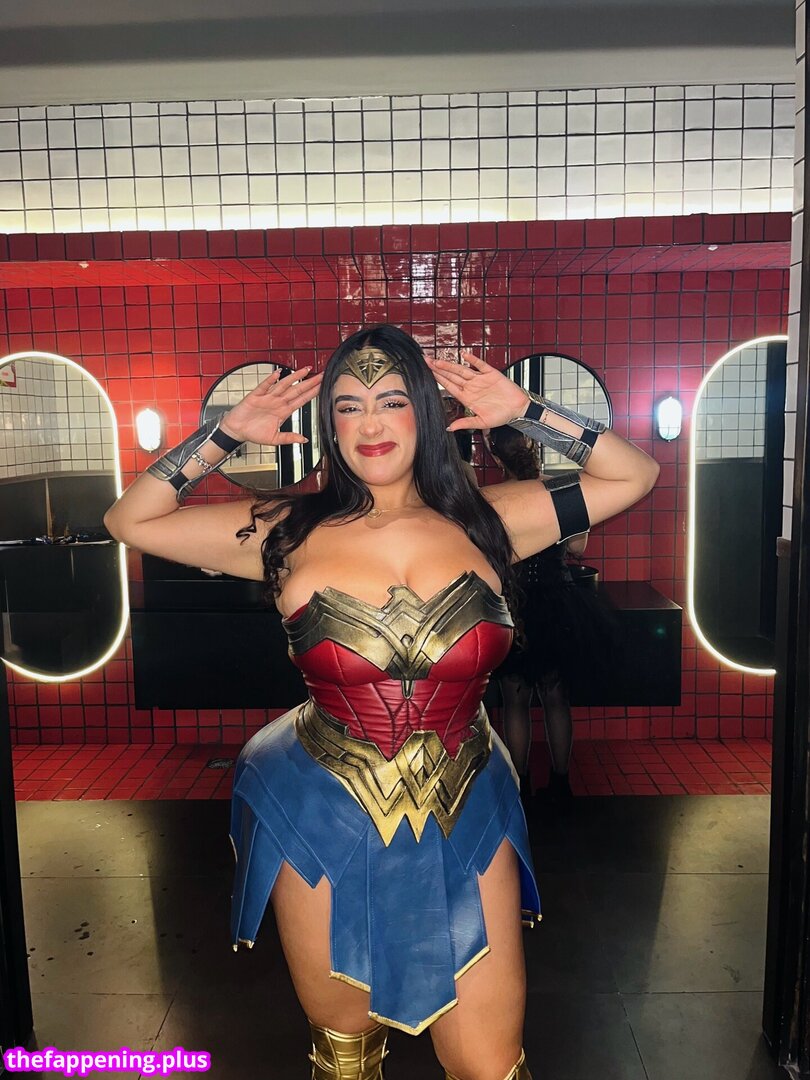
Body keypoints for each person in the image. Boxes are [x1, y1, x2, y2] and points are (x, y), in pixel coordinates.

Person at [103, 325, 659, 1080]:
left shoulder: (492, 520)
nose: (370, 423)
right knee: (346, 1057)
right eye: (348, 406)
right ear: (328, 425)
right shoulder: (283, 530)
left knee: (490, 1063)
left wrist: (526, 410)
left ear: (424, 411)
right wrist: (225, 434)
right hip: (320, 812)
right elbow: (129, 520)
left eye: (392, 401)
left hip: (467, 802)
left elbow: (634, 474)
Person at [486, 424, 614, 807]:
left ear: (495, 456)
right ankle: (561, 784)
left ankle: (521, 787)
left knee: (515, 701)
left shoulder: (489, 499)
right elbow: (578, 547)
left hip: (514, 606)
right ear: (535, 448)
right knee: (556, 698)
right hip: (557, 603)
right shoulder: (563, 489)